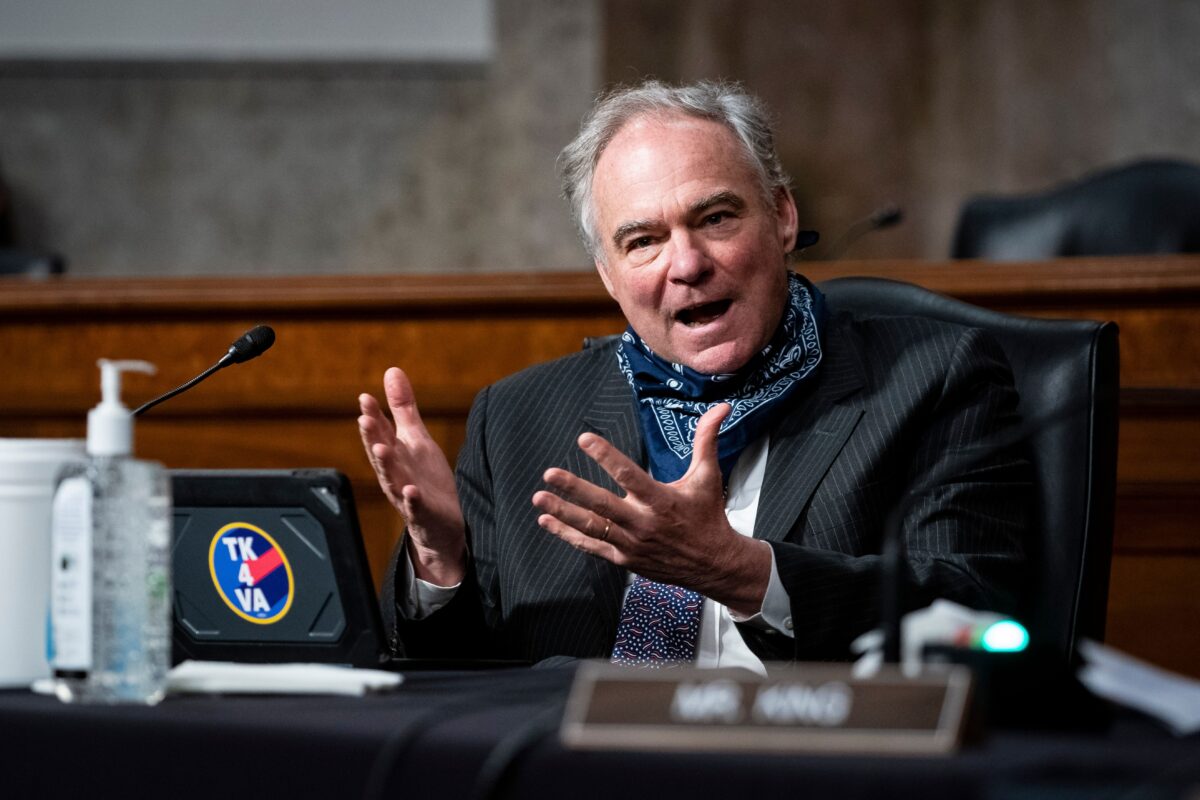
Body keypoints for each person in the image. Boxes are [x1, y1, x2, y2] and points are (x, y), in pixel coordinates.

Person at [357, 80, 1029, 670]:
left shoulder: (933, 380)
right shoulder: (518, 417)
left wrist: (736, 571)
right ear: (608, 276)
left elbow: (981, 627)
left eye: (715, 218)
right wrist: (441, 560)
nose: (686, 264)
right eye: (642, 240)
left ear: (783, 217)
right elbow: (450, 682)